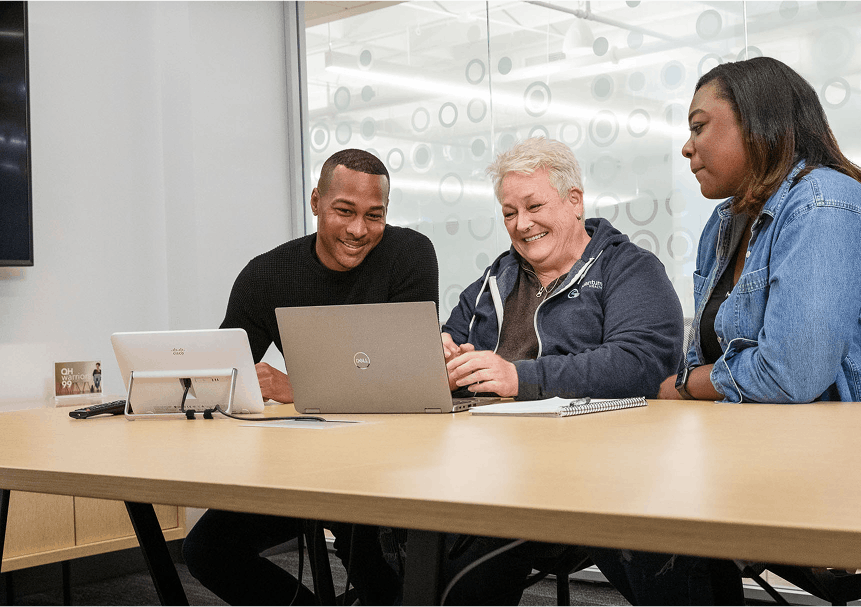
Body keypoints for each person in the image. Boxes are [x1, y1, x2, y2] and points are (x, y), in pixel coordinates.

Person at [590, 56, 861, 607]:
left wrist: (690, 386)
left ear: (760, 123)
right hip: (778, 448)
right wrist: (694, 383)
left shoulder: (825, 205)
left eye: (698, 126)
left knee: (656, 513)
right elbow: (715, 353)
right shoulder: (726, 223)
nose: (686, 148)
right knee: (606, 496)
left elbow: (791, 372)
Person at [182, 149, 439, 606]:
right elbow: (225, 372)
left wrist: (293, 388)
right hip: (306, 467)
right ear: (317, 201)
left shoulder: (409, 255)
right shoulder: (268, 275)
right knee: (206, 550)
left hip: (393, 463)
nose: (359, 230)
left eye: (373, 216)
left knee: (387, 581)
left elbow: (409, 380)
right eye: (344, 210)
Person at [439, 137, 684, 606]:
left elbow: (640, 364)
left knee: (666, 555)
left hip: (599, 470)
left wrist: (520, 379)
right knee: (431, 553)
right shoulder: (496, 278)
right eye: (509, 213)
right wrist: (443, 362)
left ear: (575, 202)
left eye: (533, 206)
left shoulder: (629, 269)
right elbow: (451, 338)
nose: (521, 224)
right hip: (493, 468)